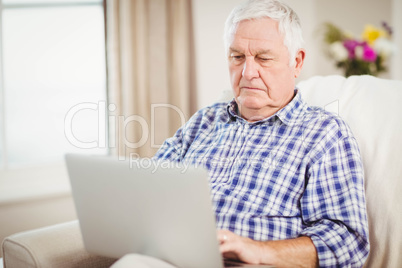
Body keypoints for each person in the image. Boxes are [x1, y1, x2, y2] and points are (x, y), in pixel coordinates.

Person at [154, 0, 370, 267]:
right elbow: (148, 189)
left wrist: (257, 250)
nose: (248, 72)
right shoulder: (204, 120)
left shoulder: (325, 134)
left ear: (297, 62)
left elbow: (348, 242)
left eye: (263, 58)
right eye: (237, 57)